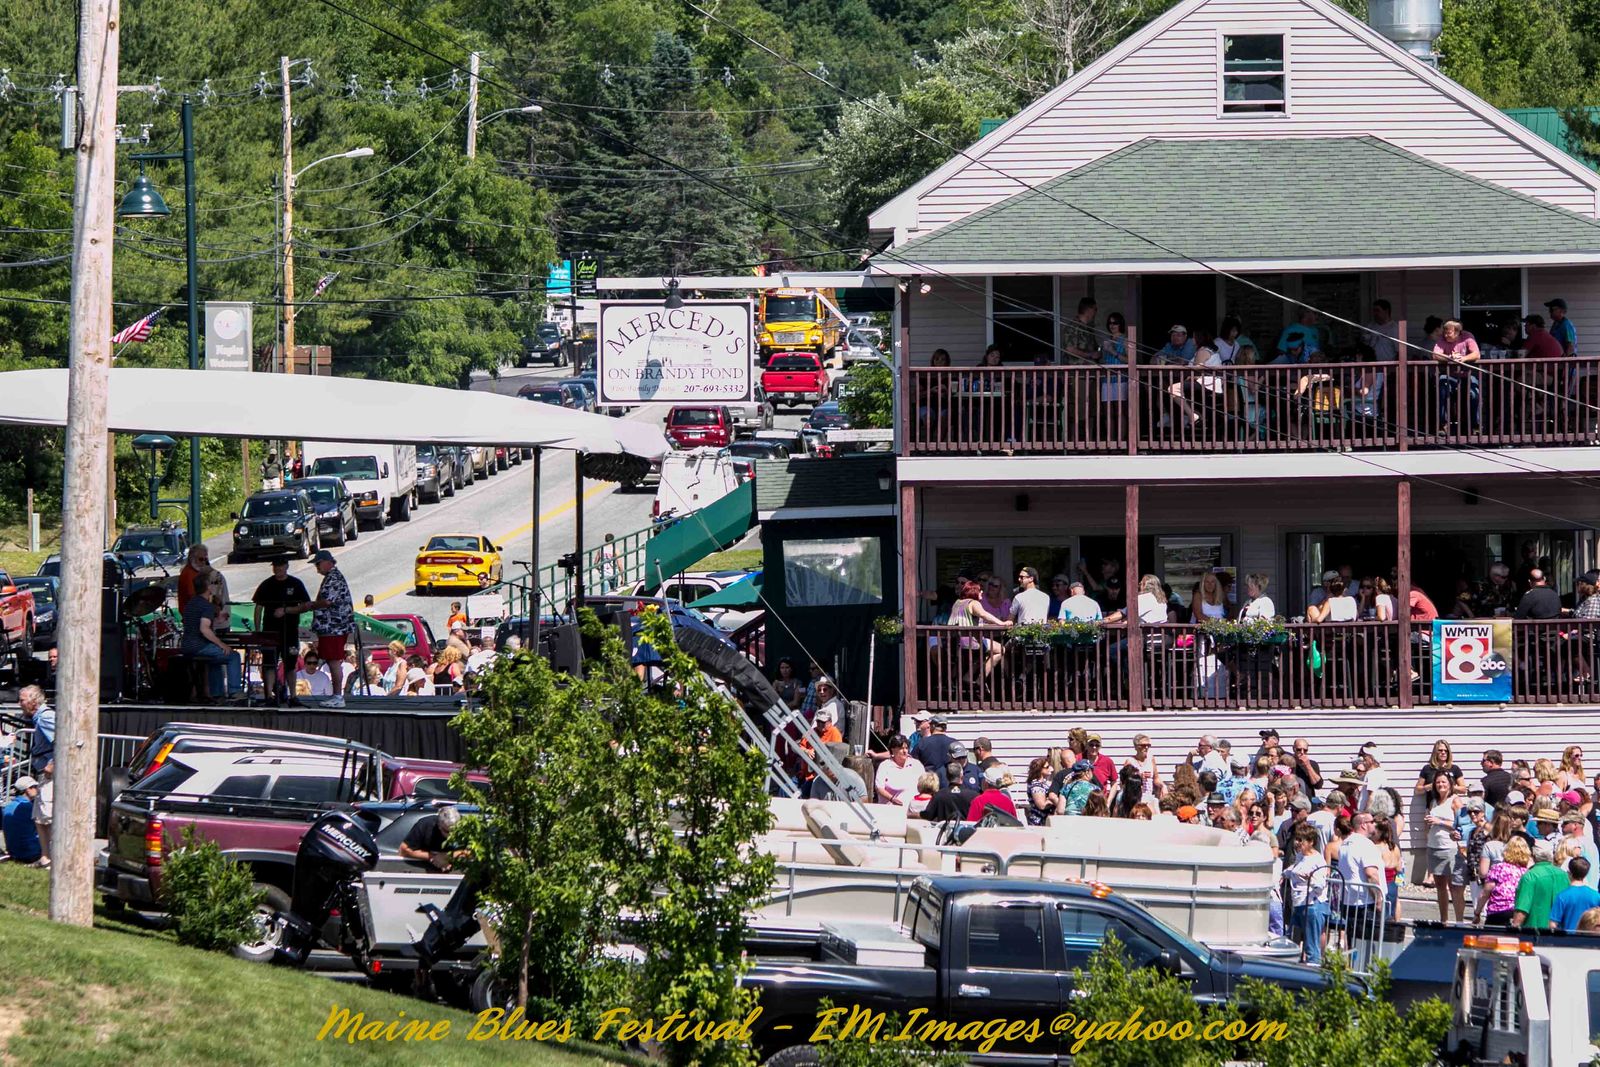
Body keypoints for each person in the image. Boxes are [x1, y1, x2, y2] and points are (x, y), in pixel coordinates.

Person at [291, 550, 354, 708]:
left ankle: (338, 696)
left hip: (334, 626)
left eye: (318, 564)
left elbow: (327, 601)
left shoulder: (333, 578)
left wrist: (310, 605)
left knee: (334, 661)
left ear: (327, 562)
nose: (317, 568)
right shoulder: (331, 577)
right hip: (331, 627)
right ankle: (336, 695)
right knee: (332, 660)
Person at [252, 558, 310, 707]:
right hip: (270, 631)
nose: (278, 569)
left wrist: (287, 610)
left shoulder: (295, 584)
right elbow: (258, 608)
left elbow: (306, 605)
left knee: (290, 664)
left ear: (286, 566)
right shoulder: (266, 585)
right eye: (275, 566)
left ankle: (293, 695)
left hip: (290, 630)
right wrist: (258, 631)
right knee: (269, 664)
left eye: (280, 566)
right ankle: (269, 696)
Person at [181, 574, 242, 699]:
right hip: (199, 646)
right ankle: (235, 691)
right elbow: (204, 629)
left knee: (216, 660)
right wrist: (221, 644)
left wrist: (216, 620)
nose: (215, 586)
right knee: (233, 656)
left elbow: (193, 622)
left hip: (186, 645)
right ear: (208, 587)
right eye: (213, 584)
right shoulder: (206, 605)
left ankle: (217, 693)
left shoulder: (190, 604)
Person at [1285, 823, 1331, 964]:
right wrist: (1285, 874)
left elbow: (1320, 885)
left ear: (1311, 842)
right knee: (1292, 942)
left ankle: (1314, 974)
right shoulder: (1300, 856)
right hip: (1299, 903)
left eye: (1301, 840)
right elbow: (1294, 869)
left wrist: (1309, 878)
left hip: (1311, 905)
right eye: (1297, 839)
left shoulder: (1317, 860)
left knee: (1311, 946)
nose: (1297, 843)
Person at [1424, 772, 1466, 922]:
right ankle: (1443, 920)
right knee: (1440, 887)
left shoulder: (1455, 801)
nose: (1441, 785)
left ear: (1450, 784)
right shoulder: (1434, 801)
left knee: (1454, 886)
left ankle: (1459, 921)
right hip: (1434, 846)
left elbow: (1462, 824)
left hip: (1450, 848)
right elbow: (1429, 822)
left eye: (1444, 782)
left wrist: (1439, 821)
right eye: (1438, 782)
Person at [949, 578, 1009, 678]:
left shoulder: (958, 603)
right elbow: (984, 614)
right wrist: (1001, 623)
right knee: (1001, 650)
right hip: (971, 642)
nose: (982, 592)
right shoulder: (973, 603)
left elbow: (969, 622)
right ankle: (980, 679)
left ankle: (958, 681)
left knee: (976, 657)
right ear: (974, 591)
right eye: (979, 590)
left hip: (957, 642)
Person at [1514, 839, 1573, 929]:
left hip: (1534, 933)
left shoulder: (1530, 876)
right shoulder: (1564, 875)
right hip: (1559, 933)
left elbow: (1522, 909)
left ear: (1533, 855)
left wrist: (1514, 927)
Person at [399, 804, 466, 871]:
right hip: (425, 874)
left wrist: (447, 856)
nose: (452, 835)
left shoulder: (467, 826)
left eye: (456, 831)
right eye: (447, 831)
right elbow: (403, 850)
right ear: (439, 825)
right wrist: (433, 857)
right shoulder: (425, 825)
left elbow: (474, 851)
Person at [1482, 837, 1532, 926]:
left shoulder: (1498, 868)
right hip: (1518, 912)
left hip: (1497, 911)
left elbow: (1486, 891)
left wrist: (1477, 912)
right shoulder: (1527, 872)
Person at [1550, 857, 1600, 930]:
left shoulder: (1562, 896)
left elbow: (1552, 924)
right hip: (1590, 938)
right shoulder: (1596, 896)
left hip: (1569, 939)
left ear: (1570, 873)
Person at [874, 734, 923, 807]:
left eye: (906, 748)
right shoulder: (885, 766)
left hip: (912, 810)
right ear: (892, 749)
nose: (905, 751)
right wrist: (892, 799)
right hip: (890, 810)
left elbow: (925, 786)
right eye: (901, 748)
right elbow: (879, 788)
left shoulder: (916, 764)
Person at [18, 686, 53, 779]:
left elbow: (64, 743)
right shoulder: (39, 718)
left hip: (50, 772)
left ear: (33, 702)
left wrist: (52, 764)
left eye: (22, 700)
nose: (19, 704)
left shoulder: (45, 717)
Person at [916, 715, 956, 782]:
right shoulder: (954, 743)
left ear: (933, 726)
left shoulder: (922, 743)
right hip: (949, 783)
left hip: (929, 783)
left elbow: (913, 764)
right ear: (945, 727)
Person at [1125, 733, 1162, 803]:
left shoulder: (1151, 759)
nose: (1146, 748)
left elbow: (1156, 778)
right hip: (1135, 798)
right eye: (1143, 745)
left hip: (1149, 797)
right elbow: (1123, 783)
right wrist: (1138, 776)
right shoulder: (1130, 761)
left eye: (1148, 745)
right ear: (1136, 747)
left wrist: (1163, 786)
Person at [1061, 297, 1098, 363]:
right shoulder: (1073, 327)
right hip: (1077, 370)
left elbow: (1095, 348)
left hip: (1089, 369)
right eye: (1095, 309)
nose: (1096, 313)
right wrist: (1089, 355)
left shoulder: (1089, 329)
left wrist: (1098, 351)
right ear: (1089, 309)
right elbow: (1069, 349)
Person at [176, 544, 211, 613]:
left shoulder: (198, 572)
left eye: (206, 559)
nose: (204, 562)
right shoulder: (189, 574)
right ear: (192, 558)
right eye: (201, 559)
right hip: (193, 615)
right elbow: (193, 596)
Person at [1026, 756, 1059, 825]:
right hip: (1039, 821)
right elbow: (1042, 806)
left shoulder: (1044, 782)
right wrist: (1054, 799)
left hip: (1046, 819)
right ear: (1039, 769)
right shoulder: (1036, 785)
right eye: (1047, 767)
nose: (1051, 769)